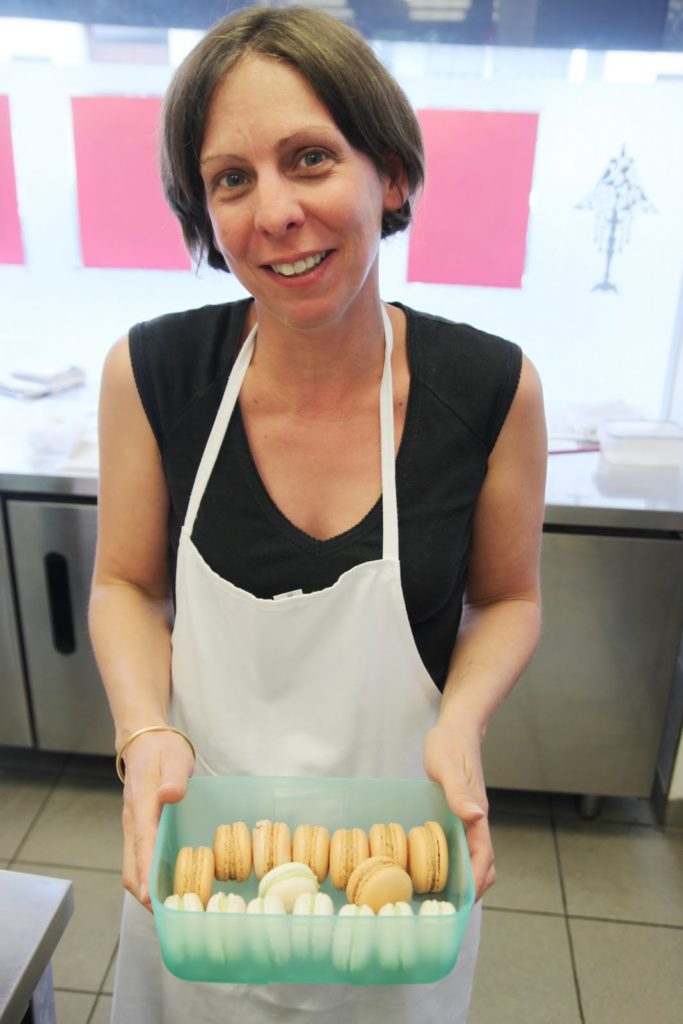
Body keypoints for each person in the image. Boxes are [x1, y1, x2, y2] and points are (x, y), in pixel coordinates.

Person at [88, 5, 547, 1022]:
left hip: (395, 887)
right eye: (230, 180)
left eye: (309, 158)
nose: (274, 213)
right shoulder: (154, 374)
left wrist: (461, 723)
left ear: (387, 175)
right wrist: (144, 730)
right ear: (203, 212)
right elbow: (124, 582)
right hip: (204, 873)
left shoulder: (487, 389)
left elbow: (510, 599)